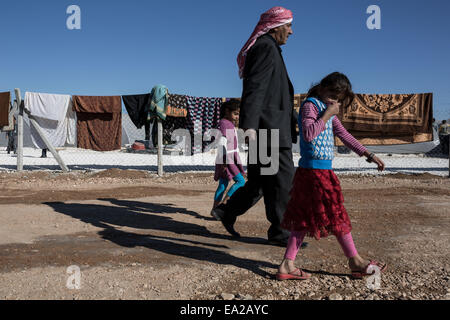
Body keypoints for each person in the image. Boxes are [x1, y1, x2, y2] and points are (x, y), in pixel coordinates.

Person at [276, 72, 387, 280]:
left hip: (319, 171)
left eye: (338, 99)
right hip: (314, 173)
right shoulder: (311, 105)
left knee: (303, 218)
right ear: (321, 88)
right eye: (331, 95)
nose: (333, 101)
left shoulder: (327, 109)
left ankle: (287, 265)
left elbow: (344, 135)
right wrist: (327, 114)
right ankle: (356, 261)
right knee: (336, 215)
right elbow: (308, 134)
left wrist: (368, 154)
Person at [211, 6, 299, 247]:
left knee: (261, 181)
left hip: (269, 129)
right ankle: (281, 232)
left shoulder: (270, 49)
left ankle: (227, 212)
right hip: (268, 131)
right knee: (282, 181)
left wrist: (293, 121)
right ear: (275, 26)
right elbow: (254, 88)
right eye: (288, 26)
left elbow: (276, 94)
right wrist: (249, 126)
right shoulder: (265, 48)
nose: (291, 32)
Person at [212, 99, 246, 209]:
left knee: (223, 184)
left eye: (238, 115)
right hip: (227, 159)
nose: (237, 117)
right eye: (235, 114)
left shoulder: (227, 123)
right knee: (240, 181)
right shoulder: (225, 124)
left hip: (226, 158)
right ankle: (224, 204)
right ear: (227, 111)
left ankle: (215, 209)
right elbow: (222, 142)